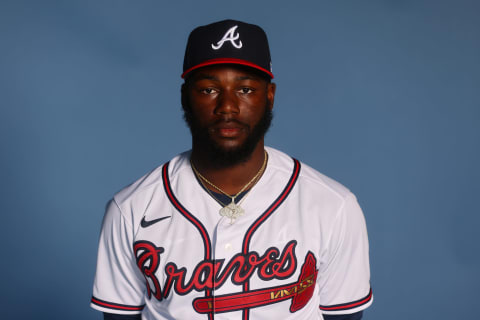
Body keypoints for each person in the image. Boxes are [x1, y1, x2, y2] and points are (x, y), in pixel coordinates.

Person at [91, 19, 373, 320]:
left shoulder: (333, 206)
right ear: (185, 97)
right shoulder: (131, 209)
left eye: (246, 89)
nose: (227, 106)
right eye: (210, 89)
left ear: (270, 96)